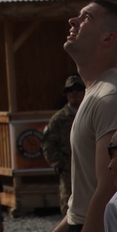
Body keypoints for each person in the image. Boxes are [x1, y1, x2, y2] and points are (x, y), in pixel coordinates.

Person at [22, 0, 117, 232]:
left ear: (108, 38)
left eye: (86, 17)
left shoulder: (112, 98)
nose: (72, 22)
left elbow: (110, 189)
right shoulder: (97, 93)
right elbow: (87, 197)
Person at [42, 74, 86, 216]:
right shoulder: (58, 119)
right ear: (66, 94)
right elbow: (49, 148)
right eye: (70, 90)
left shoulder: (92, 114)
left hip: (93, 171)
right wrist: (67, 164)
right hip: (69, 176)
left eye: (78, 88)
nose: (74, 93)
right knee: (69, 215)